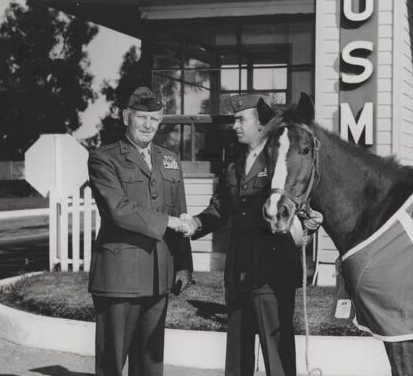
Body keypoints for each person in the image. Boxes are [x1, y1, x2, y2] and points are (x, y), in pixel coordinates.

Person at [180, 93, 313, 376]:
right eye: (234, 120)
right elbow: (220, 207)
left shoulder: (280, 159)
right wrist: (196, 223)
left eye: (241, 120)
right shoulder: (234, 160)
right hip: (238, 273)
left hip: (272, 275)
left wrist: (306, 224)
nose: (235, 126)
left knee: (278, 358)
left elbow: (298, 202)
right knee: (237, 358)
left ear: (262, 123)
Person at [87, 86, 194, 376]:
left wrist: (183, 265)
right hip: (119, 277)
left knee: (150, 365)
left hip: (158, 277)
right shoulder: (104, 158)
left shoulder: (170, 159)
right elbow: (118, 210)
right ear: (126, 117)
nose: (148, 125)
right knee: (112, 363)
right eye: (141, 117)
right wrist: (168, 221)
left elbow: (180, 213)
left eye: (154, 118)